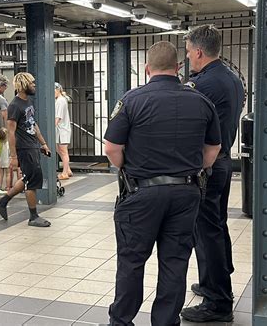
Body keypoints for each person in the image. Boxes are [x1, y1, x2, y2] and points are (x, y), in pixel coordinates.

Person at [104, 41, 222, 326]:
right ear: (178, 68)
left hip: (141, 193)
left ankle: (121, 321)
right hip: (186, 194)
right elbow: (212, 151)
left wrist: (130, 169)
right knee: (175, 262)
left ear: (147, 68)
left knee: (132, 262)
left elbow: (111, 148)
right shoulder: (201, 101)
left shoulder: (132, 100)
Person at [181, 25, 245, 323]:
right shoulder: (232, 77)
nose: (189, 58)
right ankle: (215, 283)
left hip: (206, 166)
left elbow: (188, 126)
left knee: (207, 234)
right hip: (223, 162)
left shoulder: (202, 84)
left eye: (189, 52)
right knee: (216, 228)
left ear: (198, 51)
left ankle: (218, 302)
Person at [0, 72, 52, 228]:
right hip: (24, 148)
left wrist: (43, 143)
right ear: (24, 84)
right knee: (31, 182)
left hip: (32, 145)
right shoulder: (14, 105)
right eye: (32, 83)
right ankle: (33, 216)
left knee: (28, 178)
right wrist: (13, 156)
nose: (34, 85)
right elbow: (11, 132)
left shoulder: (28, 102)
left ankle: (2, 201)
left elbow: (33, 124)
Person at [54, 82, 72, 180]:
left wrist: (52, 127)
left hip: (62, 130)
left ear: (58, 90)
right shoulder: (60, 100)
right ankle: (68, 169)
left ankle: (65, 173)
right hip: (62, 130)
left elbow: (58, 117)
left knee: (63, 152)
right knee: (59, 150)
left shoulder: (60, 101)